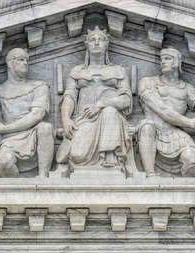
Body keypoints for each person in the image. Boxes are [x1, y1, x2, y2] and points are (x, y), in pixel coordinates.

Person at [57, 27, 138, 176]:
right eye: (92, 40)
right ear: (86, 45)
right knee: (77, 155)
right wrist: (66, 119)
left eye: (101, 39)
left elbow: (126, 100)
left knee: (109, 111)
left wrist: (100, 104)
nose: (96, 43)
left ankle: (110, 159)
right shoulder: (77, 71)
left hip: (110, 121)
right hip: (83, 120)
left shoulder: (118, 70)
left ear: (107, 45)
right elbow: (70, 96)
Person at [0, 49, 54, 178]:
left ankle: (43, 178)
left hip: (33, 135)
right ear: (9, 63)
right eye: (20, 60)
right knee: (4, 161)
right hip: (9, 140)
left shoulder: (39, 86)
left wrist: (6, 128)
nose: (25, 63)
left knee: (45, 127)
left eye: (27, 60)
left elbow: (37, 115)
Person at [136, 48, 195, 177]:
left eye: (167, 58)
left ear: (177, 62)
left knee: (193, 163)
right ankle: (150, 173)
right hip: (153, 131)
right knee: (147, 126)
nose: (162, 62)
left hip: (175, 133)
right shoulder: (148, 83)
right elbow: (161, 109)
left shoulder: (187, 88)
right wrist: (190, 122)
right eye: (161, 59)